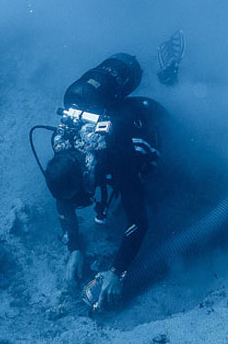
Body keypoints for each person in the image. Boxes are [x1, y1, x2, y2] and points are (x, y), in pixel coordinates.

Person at [42, 54, 165, 310]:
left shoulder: (116, 155)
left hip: (151, 120)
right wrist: (74, 247)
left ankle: (168, 75)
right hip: (118, 110)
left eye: (81, 192)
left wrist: (117, 272)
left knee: (162, 174)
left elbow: (139, 222)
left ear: (87, 172)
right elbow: (63, 200)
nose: (80, 201)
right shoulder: (63, 145)